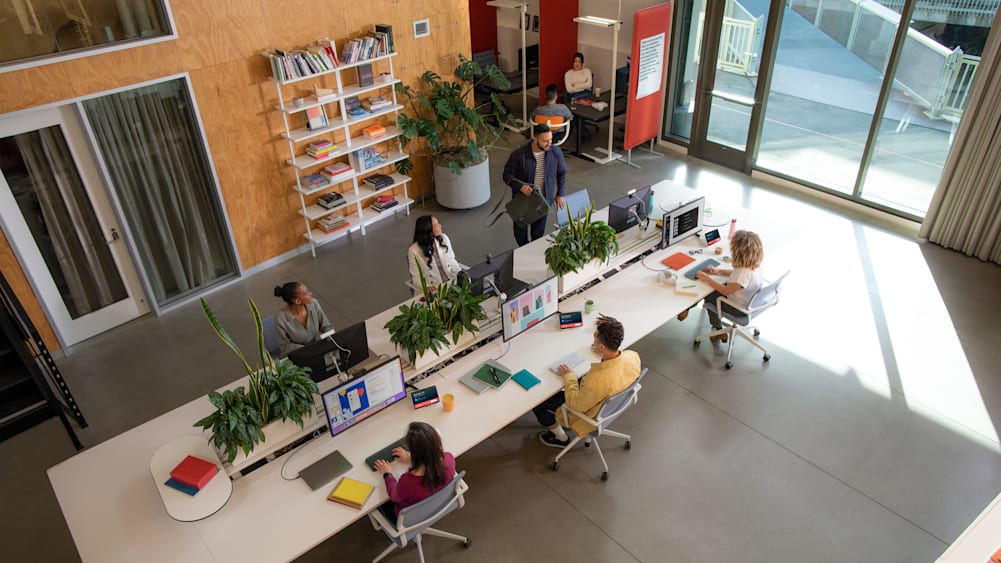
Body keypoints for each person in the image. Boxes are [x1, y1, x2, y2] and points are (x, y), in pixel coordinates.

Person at [533, 315, 642, 448]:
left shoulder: (596, 381)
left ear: (602, 347)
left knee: (539, 405)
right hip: (614, 403)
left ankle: (561, 438)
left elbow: (575, 405)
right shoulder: (633, 356)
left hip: (587, 414)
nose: (593, 341)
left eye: (595, 338)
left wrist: (569, 376)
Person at [675, 230, 765, 344]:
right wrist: (718, 271)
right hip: (752, 302)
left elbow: (725, 291)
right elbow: (735, 274)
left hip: (739, 309)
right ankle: (687, 310)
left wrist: (707, 278)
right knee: (712, 289)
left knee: (709, 295)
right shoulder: (755, 264)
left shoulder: (742, 273)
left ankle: (718, 330)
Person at [373, 422, 457, 519]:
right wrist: (411, 458)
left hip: (412, 518)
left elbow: (393, 496)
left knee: (378, 504)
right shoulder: (449, 459)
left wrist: (387, 474)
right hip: (441, 503)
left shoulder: (408, 481)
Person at [502, 123, 567, 246]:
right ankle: (524, 249)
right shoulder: (519, 155)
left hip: (543, 201)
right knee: (519, 233)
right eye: (545, 141)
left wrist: (560, 194)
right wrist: (520, 187)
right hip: (522, 201)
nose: (549, 144)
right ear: (534, 138)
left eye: (551, 140)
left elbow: (562, 173)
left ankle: (531, 252)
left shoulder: (556, 152)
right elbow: (507, 175)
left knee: (538, 233)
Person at [273, 282, 333, 356]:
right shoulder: (280, 319)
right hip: (297, 355)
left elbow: (326, 326)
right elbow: (285, 347)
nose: (310, 293)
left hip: (315, 351)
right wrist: (307, 349)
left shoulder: (313, 303)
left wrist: (329, 339)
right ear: (297, 301)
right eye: (306, 293)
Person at [408, 215, 461, 291]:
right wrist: (427, 287)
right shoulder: (413, 250)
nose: (440, 225)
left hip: (452, 283)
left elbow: (452, 261)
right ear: (428, 229)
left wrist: (459, 272)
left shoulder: (444, 238)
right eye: (436, 224)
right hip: (435, 289)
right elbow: (416, 278)